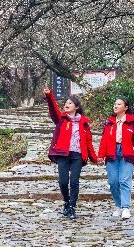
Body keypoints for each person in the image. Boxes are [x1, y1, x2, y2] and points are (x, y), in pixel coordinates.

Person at [43, 86, 97, 220]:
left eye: (70, 103)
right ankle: (66, 202)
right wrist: (49, 95)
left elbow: (88, 142)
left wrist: (95, 158)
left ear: (76, 107)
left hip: (78, 155)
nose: (66, 105)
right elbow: (53, 110)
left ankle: (72, 207)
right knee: (63, 182)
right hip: (62, 154)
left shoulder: (84, 123)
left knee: (74, 182)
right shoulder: (61, 119)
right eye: (66, 103)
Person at [97, 97, 134, 219]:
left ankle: (125, 208)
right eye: (115, 104)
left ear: (126, 107)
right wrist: (100, 156)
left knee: (124, 181)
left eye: (119, 104)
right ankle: (118, 205)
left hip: (126, 154)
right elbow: (104, 140)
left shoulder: (132, 122)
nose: (115, 106)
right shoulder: (109, 122)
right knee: (113, 182)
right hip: (111, 153)